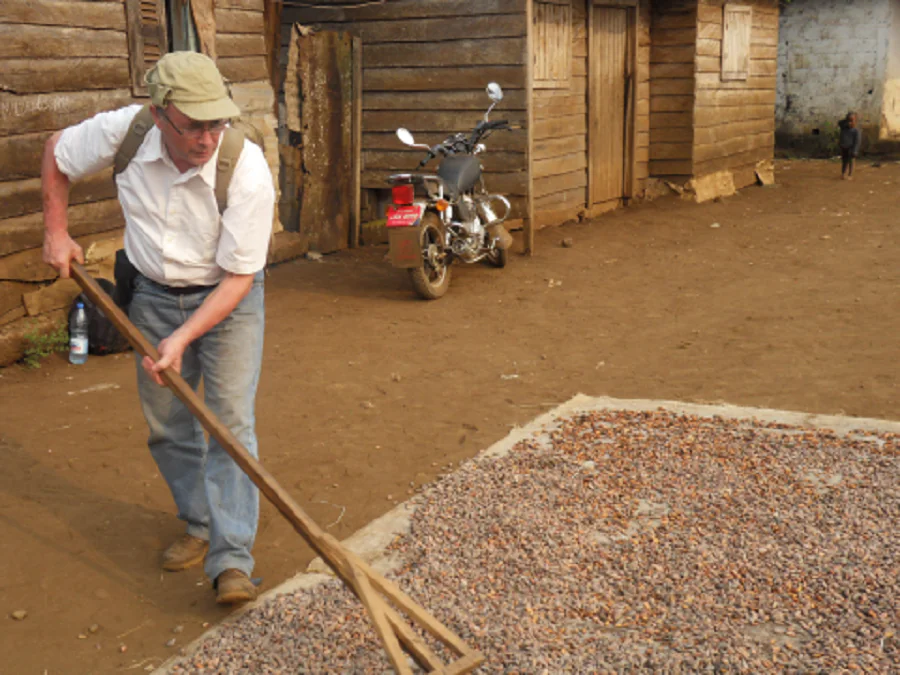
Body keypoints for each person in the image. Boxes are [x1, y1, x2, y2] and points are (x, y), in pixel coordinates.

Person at [41, 51, 275, 604]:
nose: (207, 137)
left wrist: (184, 335)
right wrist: (56, 230)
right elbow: (56, 152)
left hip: (226, 300)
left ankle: (232, 560)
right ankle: (199, 523)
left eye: (217, 121)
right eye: (194, 125)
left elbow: (240, 279)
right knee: (169, 424)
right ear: (160, 113)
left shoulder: (246, 167)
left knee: (229, 425)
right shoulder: (126, 132)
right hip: (148, 293)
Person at [838, 111, 862, 180]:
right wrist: (846, 120)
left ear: (855, 121)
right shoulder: (844, 127)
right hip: (844, 147)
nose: (849, 123)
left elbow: (857, 141)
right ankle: (843, 173)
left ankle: (850, 174)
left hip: (851, 148)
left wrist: (855, 151)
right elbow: (839, 123)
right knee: (844, 161)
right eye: (848, 121)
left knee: (851, 161)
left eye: (852, 121)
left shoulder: (856, 131)